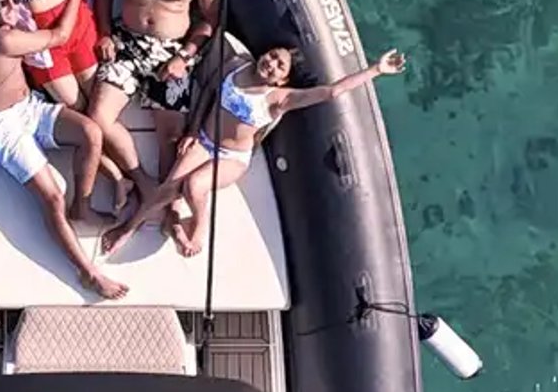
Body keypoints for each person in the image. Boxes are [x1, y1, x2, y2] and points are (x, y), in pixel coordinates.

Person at [102, 44, 408, 258]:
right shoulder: (237, 65)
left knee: (193, 186)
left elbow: (331, 91)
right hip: (205, 140)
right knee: (167, 186)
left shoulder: (280, 98)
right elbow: (209, 92)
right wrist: (193, 131)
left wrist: (376, 69)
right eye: (273, 56)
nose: (271, 63)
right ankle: (129, 228)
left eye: (279, 66)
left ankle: (197, 228)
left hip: (231, 157)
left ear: (282, 78)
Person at [0, 0, 127, 299]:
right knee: (53, 197)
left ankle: (81, 207)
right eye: (4, 3)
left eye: (15, 0)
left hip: (29, 107)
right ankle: (89, 274)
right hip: (2, 126)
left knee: (91, 132)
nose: (14, 8)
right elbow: (60, 36)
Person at [89, 0, 225, 216]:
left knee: (171, 137)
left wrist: (185, 57)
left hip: (171, 54)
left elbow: (211, 20)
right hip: (126, 45)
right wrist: (105, 33)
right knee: (97, 119)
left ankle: (167, 207)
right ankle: (141, 180)